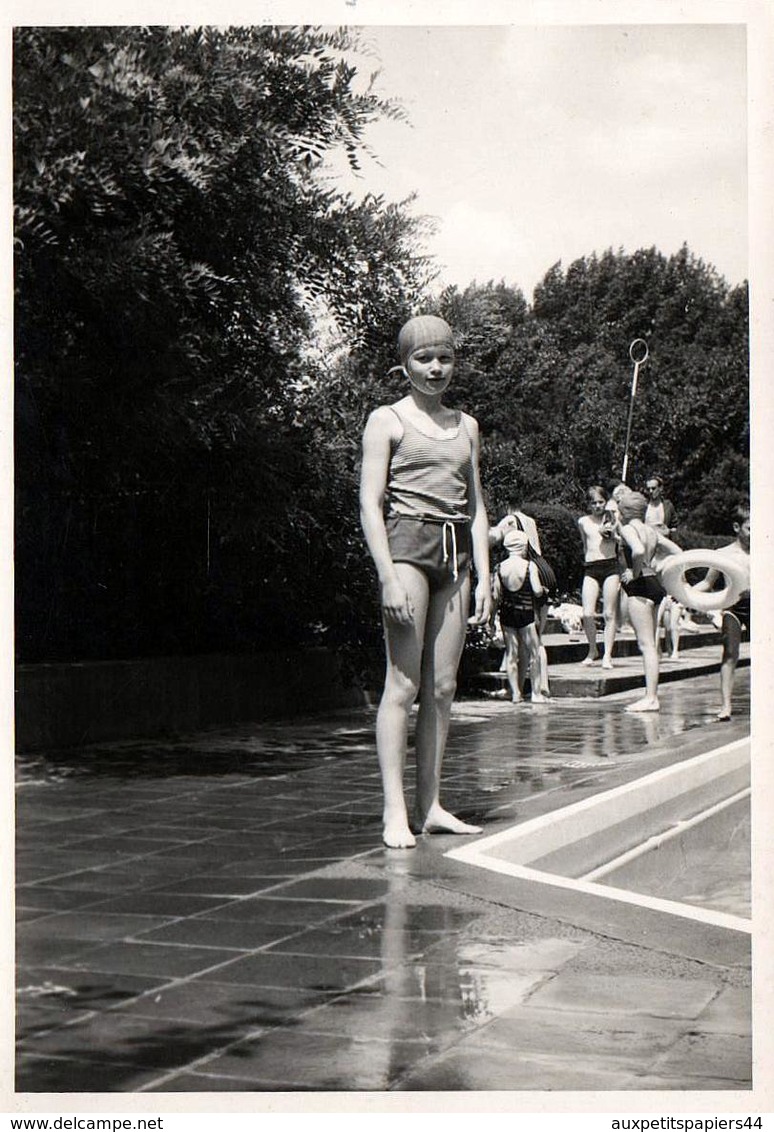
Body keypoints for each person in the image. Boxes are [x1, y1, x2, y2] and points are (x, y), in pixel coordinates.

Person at [359, 315, 492, 849]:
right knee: (404, 684)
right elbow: (370, 502)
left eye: (445, 358)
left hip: (456, 550)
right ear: (404, 364)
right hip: (408, 547)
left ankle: (430, 805)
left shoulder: (468, 426)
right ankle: (395, 810)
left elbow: (478, 506)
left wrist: (483, 576)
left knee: (442, 688)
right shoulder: (386, 420)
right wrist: (387, 576)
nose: (436, 368)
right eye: (424, 359)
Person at [617, 491, 681, 712]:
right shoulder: (651, 531)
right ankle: (652, 695)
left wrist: (634, 573)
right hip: (653, 583)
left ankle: (651, 697)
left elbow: (637, 550)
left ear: (624, 510)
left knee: (646, 645)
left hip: (640, 587)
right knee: (652, 645)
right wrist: (657, 568)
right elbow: (677, 551)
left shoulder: (627, 529)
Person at [693, 504, 750, 721]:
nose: (754, 534)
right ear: (737, 527)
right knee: (729, 653)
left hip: (759, 604)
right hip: (733, 606)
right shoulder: (723, 554)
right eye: (749, 528)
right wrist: (683, 594)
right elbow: (708, 582)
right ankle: (726, 705)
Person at [490, 505, 551, 697]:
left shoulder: (500, 568)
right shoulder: (529, 566)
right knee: (533, 653)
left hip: (507, 614)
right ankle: (536, 693)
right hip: (526, 613)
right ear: (524, 546)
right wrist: (543, 591)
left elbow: (496, 595)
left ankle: (515, 693)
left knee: (512, 654)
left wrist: (491, 618)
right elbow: (536, 590)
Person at [577, 485, 620, 668]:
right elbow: (586, 545)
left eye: (600, 502)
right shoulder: (583, 522)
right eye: (593, 502)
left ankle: (607, 655)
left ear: (606, 502)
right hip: (592, 567)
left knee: (609, 613)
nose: (597, 506)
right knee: (587, 613)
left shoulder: (613, 519)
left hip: (610, 566)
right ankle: (593, 649)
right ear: (588, 504)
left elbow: (623, 541)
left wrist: (613, 535)